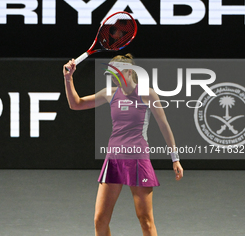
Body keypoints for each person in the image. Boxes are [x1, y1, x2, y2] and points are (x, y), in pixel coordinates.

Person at [63, 54, 184, 236]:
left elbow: (164, 126)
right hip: (113, 161)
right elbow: (76, 104)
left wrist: (175, 159)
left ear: (129, 71)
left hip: (138, 161)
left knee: (146, 220)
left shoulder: (147, 94)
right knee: (100, 219)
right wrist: (68, 78)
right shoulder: (109, 93)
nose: (112, 76)